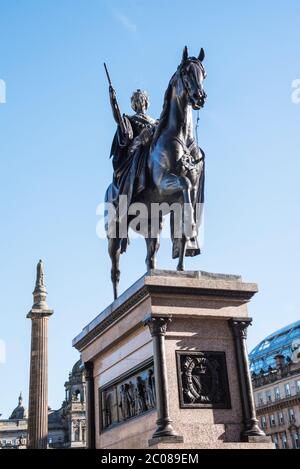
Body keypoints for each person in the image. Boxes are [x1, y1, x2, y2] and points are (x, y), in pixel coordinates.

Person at [108, 87, 158, 213]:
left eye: (141, 99)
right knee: (133, 168)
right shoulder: (129, 120)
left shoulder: (156, 122)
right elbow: (118, 119)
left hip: (153, 151)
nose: (139, 101)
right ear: (134, 105)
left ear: (146, 102)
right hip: (136, 151)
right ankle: (124, 203)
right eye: (136, 100)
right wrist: (113, 100)